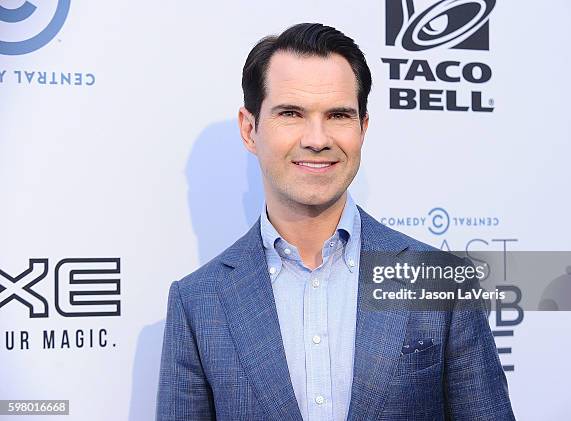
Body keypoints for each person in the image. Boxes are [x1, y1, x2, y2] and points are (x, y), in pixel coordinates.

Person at [156, 22, 515, 421]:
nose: (317, 138)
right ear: (249, 128)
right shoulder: (198, 302)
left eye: (338, 115)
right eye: (290, 113)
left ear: (363, 126)